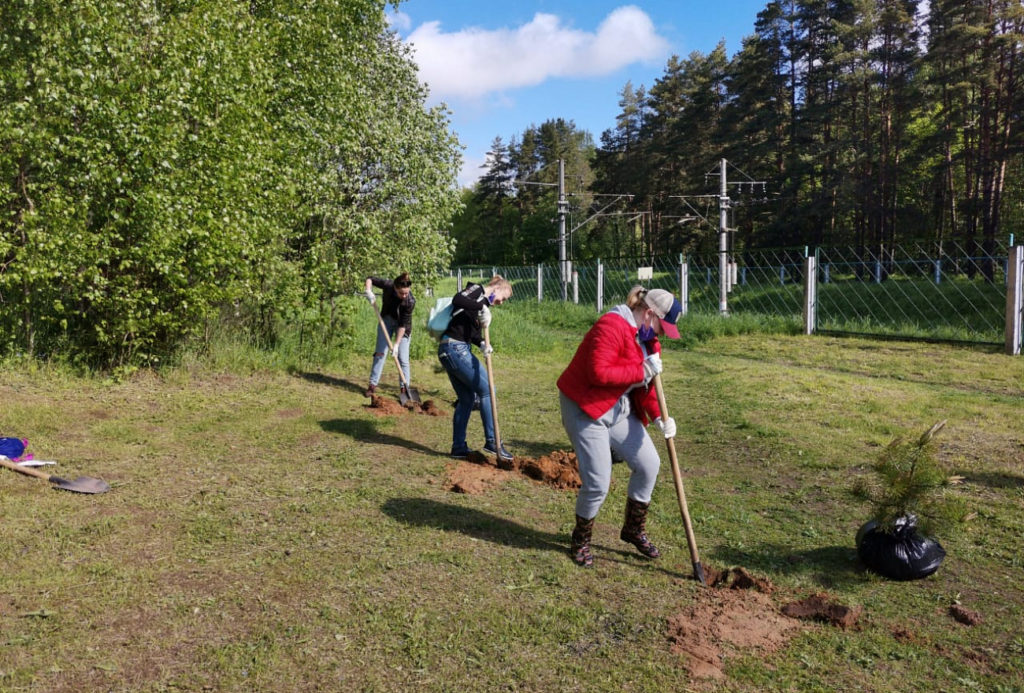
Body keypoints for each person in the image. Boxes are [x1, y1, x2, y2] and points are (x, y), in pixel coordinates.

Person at [556, 286, 682, 567]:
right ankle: (580, 540)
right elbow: (598, 373)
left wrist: (660, 417)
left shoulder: (649, 341)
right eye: (662, 327)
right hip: (585, 407)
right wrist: (642, 370)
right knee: (598, 482)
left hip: (617, 407)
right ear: (649, 314)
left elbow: (648, 387)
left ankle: (633, 529)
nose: (662, 335)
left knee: (649, 464)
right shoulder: (611, 325)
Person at [437, 275, 514, 461]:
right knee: (488, 390)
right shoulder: (477, 290)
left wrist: (481, 344)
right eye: (503, 298)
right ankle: (492, 441)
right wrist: (482, 306)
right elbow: (458, 299)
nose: (501, 302)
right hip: (454, 348)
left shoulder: (480, 306)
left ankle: (458, 447)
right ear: (497, 288)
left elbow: (471, 334)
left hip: (451, 350)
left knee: (467, 399)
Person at [364, 272, 415, 398]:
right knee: (380, 353)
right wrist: (369, 291)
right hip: (386, 321)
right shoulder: (388, 285)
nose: (404, 296)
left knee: (403, 358)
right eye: (401, 293)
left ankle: (404, 390)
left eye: (406, 293)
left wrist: (396, 345)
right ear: (395, 288)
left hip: (402, 327)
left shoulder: (409, 302)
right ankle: (372, 385)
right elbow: (370, 278)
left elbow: (403, 325)